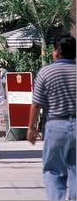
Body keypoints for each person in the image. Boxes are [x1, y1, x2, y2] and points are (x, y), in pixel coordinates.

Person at [27, 36, 76, 201]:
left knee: (54, 170)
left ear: (56, 52)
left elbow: (36, 104)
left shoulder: (46, 72)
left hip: (56, 126)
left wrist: (32, 128)